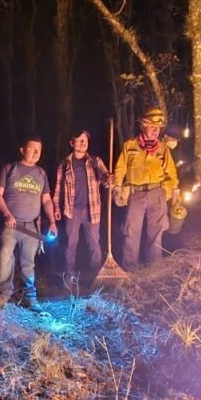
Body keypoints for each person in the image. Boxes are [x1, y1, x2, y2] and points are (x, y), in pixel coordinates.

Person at [0, 136, 57, 311]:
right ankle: (2, 294)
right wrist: (7, 214)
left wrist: (52, 222)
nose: (36, 153)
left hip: (31, 227)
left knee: (28, 263)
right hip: (11, 225)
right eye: (32, 149)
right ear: (22, 150)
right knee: (5, 258)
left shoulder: (41, 173)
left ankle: (29, 297)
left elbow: (46, 200)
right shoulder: (9, 169)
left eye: (39, 150)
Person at [112, 108, 179, 269]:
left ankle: (154, 269)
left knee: (156, 233)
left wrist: (176, 191)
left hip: (157, 193)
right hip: (135, 193)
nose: (156, 131)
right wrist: (117, 188)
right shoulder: (130, 146)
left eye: (159, 128)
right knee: (131, 232)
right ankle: (130, 269)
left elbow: (171, 170)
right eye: (152, 127)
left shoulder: (163, 148)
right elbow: (121, 168)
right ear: (143, 126)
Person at [53, 130, 111, 284]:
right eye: (79, 140)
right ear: (72, 143)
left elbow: (105, 180)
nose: (83, 143)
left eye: (85, 140)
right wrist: (56, 208)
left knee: (94, 244)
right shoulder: (64, 164)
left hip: (92, 210)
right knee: (71, 243)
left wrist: (108, 178)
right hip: (71, 211)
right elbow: (58, 188)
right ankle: (69, 276)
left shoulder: (95, 162)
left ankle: (96, 277)